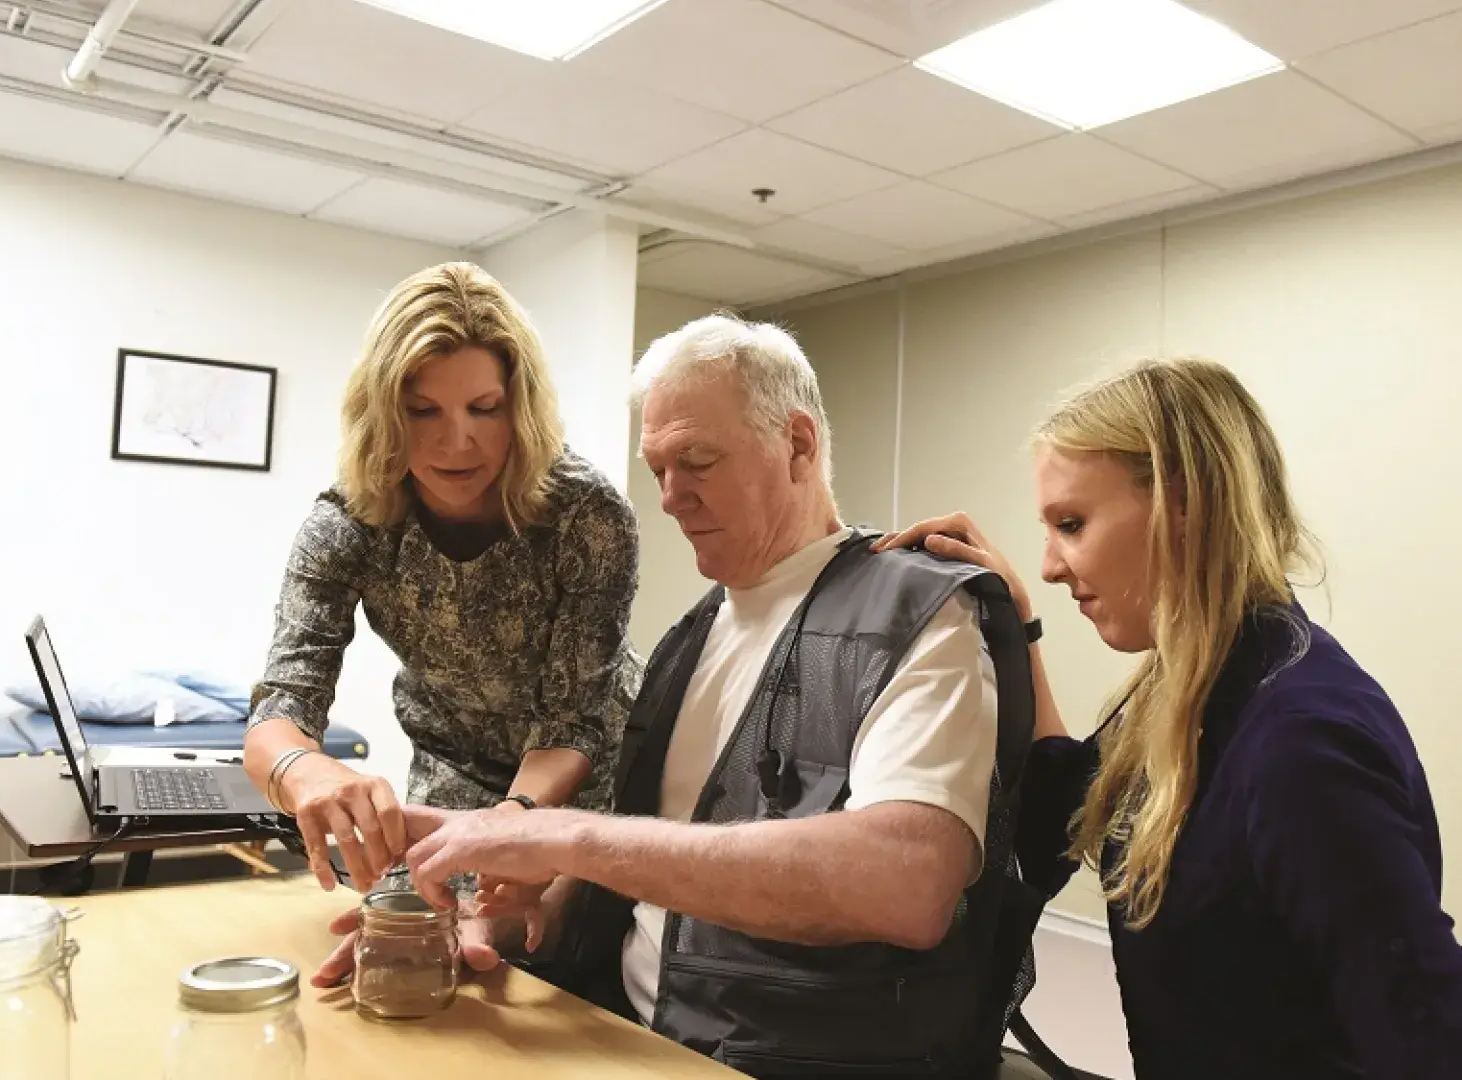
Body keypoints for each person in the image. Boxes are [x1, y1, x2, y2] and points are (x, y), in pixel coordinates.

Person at [397, 314, 1042, 1078]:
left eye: (698, 461)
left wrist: (566, 837)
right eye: (658, 468)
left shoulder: (919, 611)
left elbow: (907, 883)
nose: (671, 498)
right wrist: (520, 910)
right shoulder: (689, 638)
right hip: (620, 1033)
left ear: (799, 444)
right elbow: (662, 873)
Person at [874, 357, 1462, 1079]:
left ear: (1184, 505)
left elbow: (1448, 1052)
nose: (1053, 566)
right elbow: (1067, 808)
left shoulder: (1299, 743)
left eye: (1072, 524)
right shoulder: (1191, 692)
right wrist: (1015, 622)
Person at [241, 261, 641, 982]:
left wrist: (514, 826)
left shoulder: (586, 515)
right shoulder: (347, 524)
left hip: (591, 780)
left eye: (484, 409)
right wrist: (307, 772)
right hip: (454, 766)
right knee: (417, 952)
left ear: (517, 405)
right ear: (385, 411)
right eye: (425, 412)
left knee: (560, 969)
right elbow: (279, 712)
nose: (458, 441)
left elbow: (573, 725)